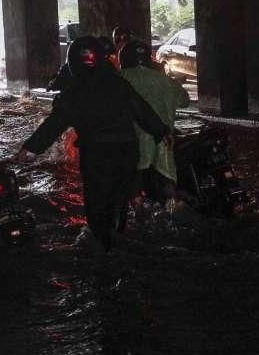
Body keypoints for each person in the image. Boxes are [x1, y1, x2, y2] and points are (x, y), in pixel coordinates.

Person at [13, 36, 171, 252]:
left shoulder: (75, 91)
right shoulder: (118, 82)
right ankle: (117, 238)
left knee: (98, 205)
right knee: (119, 201)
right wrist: (160, 131)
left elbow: (55, 123)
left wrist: (30, 148)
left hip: (98, 155)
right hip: (127, 151)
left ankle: (104, 247)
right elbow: (140, 108)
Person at [119, 40, 189, 203]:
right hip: (164, 141)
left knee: (134, 187)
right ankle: (173, 204)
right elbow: (185, 101)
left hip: (133, 144)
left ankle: (138, 208)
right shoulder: (165, 81)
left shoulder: (119, 79)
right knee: (167, 180)